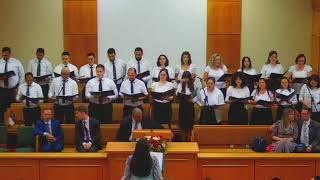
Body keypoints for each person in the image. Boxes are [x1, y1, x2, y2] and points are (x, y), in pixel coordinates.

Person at [0, 47, 24, 125]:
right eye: (3, 55)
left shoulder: (16, 62)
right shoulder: (0, 62)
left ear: (10, 54)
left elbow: (22, 75)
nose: (5, 57)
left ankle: (14, 125)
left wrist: (19, 87)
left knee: (13, 108)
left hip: (13, 89)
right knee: (2, 108)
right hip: (2, 89)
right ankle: (2, 125)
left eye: (6, 55)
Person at [176, 71, 196, 136]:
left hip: (190, 106)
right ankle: (183, 138)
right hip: (183, 106)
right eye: (184, 78)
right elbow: (177, 94)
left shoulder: (193, 85)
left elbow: (195, 98)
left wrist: (191, 99)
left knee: (190, 125)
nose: (186, 79)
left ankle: (190, 138)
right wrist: (181, 84)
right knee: (183, 125)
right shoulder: (180, 85)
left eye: (187, 78)